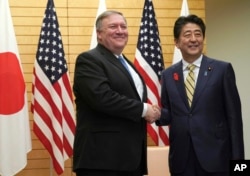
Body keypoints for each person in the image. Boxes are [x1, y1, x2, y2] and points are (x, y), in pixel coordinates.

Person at [73, 10, 160, 176]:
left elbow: (129, 99)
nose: (120, 31)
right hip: (102, 161)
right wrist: (143, 110)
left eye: (123, 26)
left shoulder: (125, 62)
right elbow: (102, 98)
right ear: (99, 34)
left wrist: (147, 112)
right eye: (113, 26)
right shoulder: (89, 60)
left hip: (130, 159)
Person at [156, 14, 244, 176]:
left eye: (198, 34)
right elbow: (169, 113)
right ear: (176, 42)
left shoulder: (222, 70)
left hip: (216, 158)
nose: (194, 39)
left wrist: (239, 167)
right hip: (181, 159)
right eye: (187, 35)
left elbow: (234, 119)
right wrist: (155, 113)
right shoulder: (168, 75)